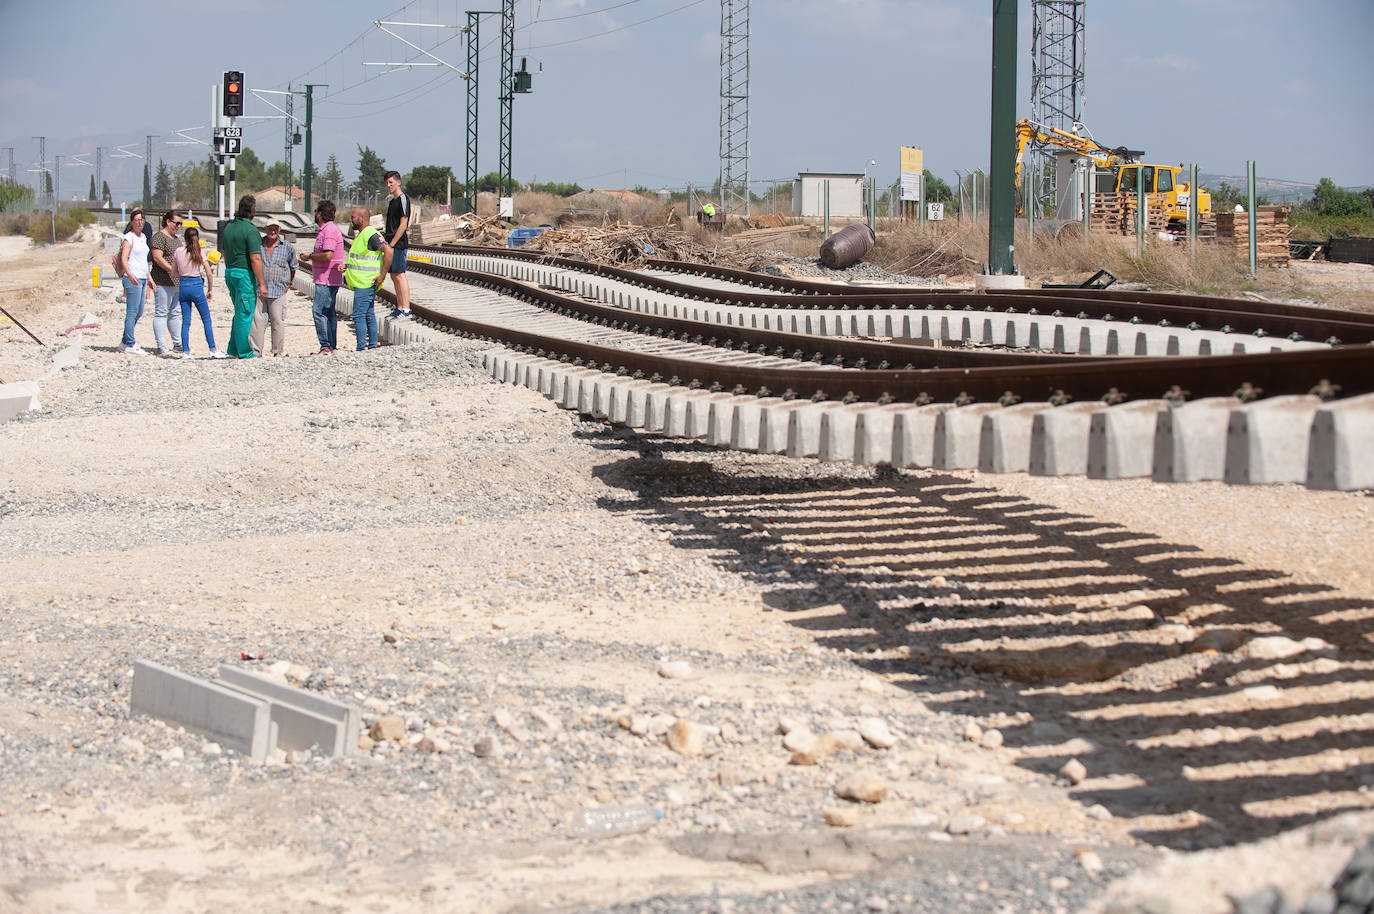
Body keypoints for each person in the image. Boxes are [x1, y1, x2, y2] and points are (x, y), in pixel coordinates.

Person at [220, 194, 267, 359]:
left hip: (230, 271)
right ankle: (245, 351)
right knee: (245, 313)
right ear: (253, 210)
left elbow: (224, 252)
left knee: (238, 311)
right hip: (244, 274)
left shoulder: (229, 227)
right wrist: (262, 284)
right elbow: (255, 258)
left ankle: (233, 349)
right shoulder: (250, 230)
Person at [173, 226, 225, 359]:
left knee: (186, 320)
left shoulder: (179, 251)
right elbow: (208, 272)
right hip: (196, 285)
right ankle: (212, 349)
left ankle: (186, 351)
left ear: (185, 238)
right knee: (206, 319)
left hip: (183, 285)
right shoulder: (199, 252)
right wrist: (210, 289)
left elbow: (174, 272)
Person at [345, 205, 391, 351]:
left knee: (358, 316)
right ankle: (371, 347)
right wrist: (346, 267)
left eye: (353, 217)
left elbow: (388, 251)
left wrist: (382, 274)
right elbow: (362, 259)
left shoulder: (370, 234)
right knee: (368, 315)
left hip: (366, 283)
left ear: (362, 218)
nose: (350, 220)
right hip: (362, 283)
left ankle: (361, 348)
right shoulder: (362, 234)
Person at [248, 221, 298, 357]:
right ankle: (256, 351)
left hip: (278, 290)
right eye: (270, 229)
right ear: (265, 229)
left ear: (279, 230)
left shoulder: (287, 247)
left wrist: (289, 283)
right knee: (258, 322)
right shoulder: (258, 245)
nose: (272, 231)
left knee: (277, 321)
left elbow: (293, 266)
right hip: (260, 290)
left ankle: (278, 351)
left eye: (275, 229)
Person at [308, 200, 345, 354]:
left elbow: (328, 255)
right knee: (329, 311)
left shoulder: (328, 230)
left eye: (316, 211)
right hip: (329, 278)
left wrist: (309, 256)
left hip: (326, 278)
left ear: (320, 214)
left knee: (319, 310)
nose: (315, 214)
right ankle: (330, 345)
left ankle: (325, 345)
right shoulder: (326, 229)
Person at [117, 209, 153, 354]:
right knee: (131, 312)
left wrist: (149, 277)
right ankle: (131, 343)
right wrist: (129, 274)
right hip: (132, 278)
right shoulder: (128, 238)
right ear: (132, 222)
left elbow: (144, 260)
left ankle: (125, 341)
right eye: (137, 220)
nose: (139, 223)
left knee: (139, 311)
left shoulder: (143, 237)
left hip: (143, 277)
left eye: (142, 220)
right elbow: (124, 259)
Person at [149, 210, 184, 356]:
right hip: (162, 281)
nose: (178, 226)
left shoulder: (176, 239)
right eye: (176, 223)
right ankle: (161, 345)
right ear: (168, 221)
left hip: (176, 282)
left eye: (181, 224)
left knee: (175, 313)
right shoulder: (159, 238)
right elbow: (157, 258)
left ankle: (177, 343)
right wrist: (172, 269)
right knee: (161, 312)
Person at [383, 170, 413, 319]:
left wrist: (393, 243)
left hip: (398, 244)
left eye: (391, 182)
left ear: (398, 182)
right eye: (387, 183)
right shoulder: (392, 201)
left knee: (400, 275)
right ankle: (399, 307)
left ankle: (406, 308)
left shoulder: (403, 199)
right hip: (390, 243)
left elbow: (403, 224)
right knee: (394, 275)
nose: (388, 185)